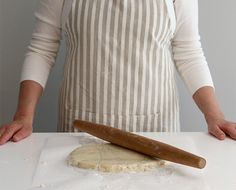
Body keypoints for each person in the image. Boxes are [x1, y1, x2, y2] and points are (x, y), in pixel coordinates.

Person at [0, 0, 236, 145]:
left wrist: (214, 116)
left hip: (156, 130)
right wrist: (24, 116)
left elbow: (188, 52)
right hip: (81, 131)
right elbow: (43, 47)